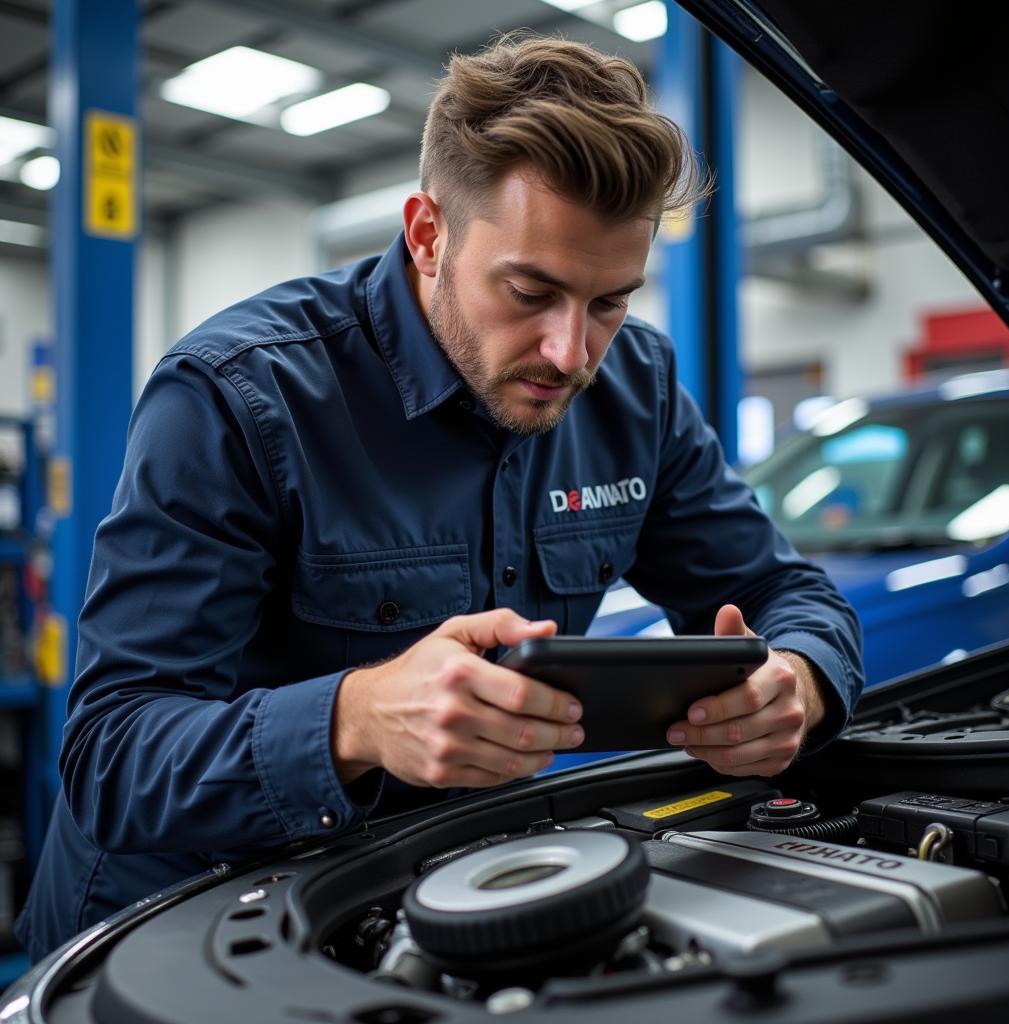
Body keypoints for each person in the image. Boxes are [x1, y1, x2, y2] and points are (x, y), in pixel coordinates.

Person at [17, 34, 862, 961]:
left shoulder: (640, 393)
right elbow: (111, 756)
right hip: (178, 933)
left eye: (610, 302)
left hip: (431, 899)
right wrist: (357, 719)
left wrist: (800, 684)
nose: (571, 354)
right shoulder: (240, 395)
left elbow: (794, 597)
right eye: (531, 291)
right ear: (428, 234)